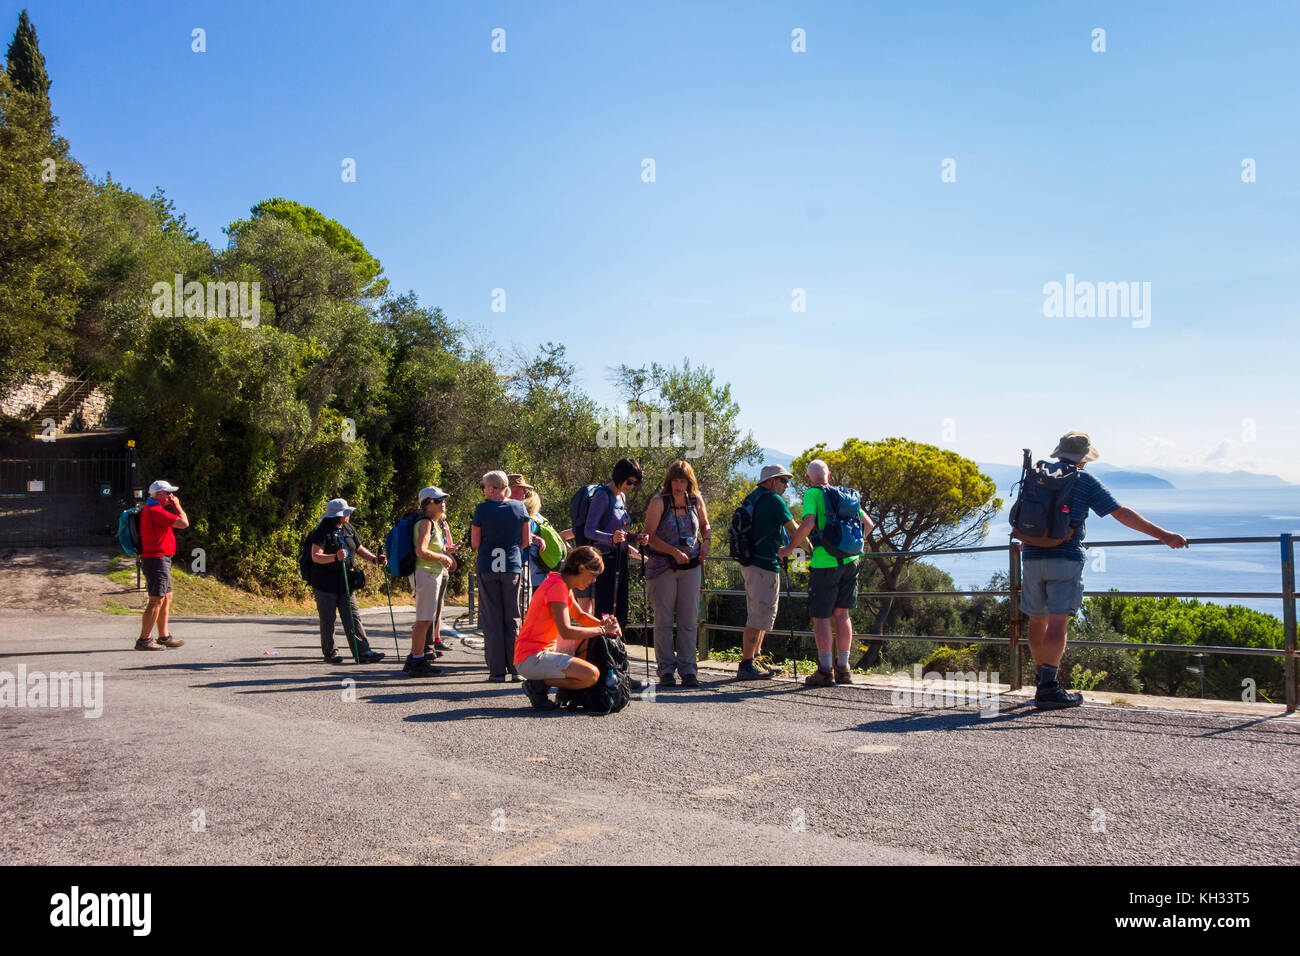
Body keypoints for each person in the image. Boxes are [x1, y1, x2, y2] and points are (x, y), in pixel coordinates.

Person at [1019, 432, 1187, 709]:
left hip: (1032, 555)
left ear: (1059, 452)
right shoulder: (1083, 480)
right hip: (1066, 557)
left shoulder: (1036, 476)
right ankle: (1048, 688)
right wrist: (1163, 535)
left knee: (1037, 621)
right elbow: (1120, 513)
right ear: (1083, 458)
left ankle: (1041, 681)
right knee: (1058, 621)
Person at [782, 459, 875, 688]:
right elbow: (869, 524)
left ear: (808, 479)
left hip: (824, 563)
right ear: (829, 475)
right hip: (851, 561)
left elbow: (808, 523)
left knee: (821, 616)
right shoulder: (844, 495)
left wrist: (789, 548)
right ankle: (844, 668)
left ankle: (825, 671)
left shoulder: (813, 494)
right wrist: (850, 545)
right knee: (842, 615)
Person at [514, 546, 622, 711]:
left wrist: (608, 625)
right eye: (593, 575)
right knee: (590, 675)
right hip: (532, 658)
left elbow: (580, 616)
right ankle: (537, 685)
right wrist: (602, 630)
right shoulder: (558, 587)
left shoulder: (561, 583)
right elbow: (566, 631)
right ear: (581, 568)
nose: (594, 580)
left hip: (537, 653)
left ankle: (553, 686)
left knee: (592, 648)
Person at [579, 458, 648, 689]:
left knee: (622, 614)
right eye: (629, 482)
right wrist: (610, 539)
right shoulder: (602, 496)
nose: (631, 486)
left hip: (620, 559)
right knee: (606, 613)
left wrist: (635, 538)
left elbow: (621, 531)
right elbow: (590, 530)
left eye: (635, 483)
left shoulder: (622, 497)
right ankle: (602, 667)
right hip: (605, 561)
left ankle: (619, 668)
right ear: (619, 477)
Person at [643, 460, 711, 688]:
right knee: (663, 620)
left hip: (690, 567)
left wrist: (707, 541)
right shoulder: (659, 502)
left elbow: (705, 525)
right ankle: (666, 671)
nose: (678, 485)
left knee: (689, 619)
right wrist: (673, 552)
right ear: (669, 482)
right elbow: (648, 536)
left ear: (689, 482)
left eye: (683, 480)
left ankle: (689, 669)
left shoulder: (695, 501)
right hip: (663, 567)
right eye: (675, 480)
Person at [736, 466, 800, 679]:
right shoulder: (773, 500)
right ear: (772, 481)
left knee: (760, 614)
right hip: (764, 566)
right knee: (758, 615)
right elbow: (793, 529)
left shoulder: (754, 497)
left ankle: (756, 659)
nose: (787, 485)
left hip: (752, 563)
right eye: (784, 480)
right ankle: (746, 664)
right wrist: (812, 550)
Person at [308, 498, 386, 664]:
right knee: (328, 619)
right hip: (325, 583)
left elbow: (358, 548)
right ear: (338, 515)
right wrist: (334, 557)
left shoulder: (348, 528)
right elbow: (315, 556)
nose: (349, 514)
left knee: (353, 616)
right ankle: (331, 653)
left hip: (346, 582)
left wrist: (374, 559)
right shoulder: (322, 531)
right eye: (346, 512)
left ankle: (363, 652)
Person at [471, 470, 531, 682]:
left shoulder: (482, 509)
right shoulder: (519, 507)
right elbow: (525, 542)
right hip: (512, 566)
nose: (483, 490)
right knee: (513, 617)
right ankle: (516, 668)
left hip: (488, 566)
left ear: (493, 488)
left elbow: (475, 544)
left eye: (485, 486)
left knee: (492, 618)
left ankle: (496, 671)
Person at [403, 486, 455, 677]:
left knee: (425, 619)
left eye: (443, 499)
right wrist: (442, 558)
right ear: (427, 504)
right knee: (424, 620)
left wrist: (445, 557)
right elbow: (421, 551)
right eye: (438, 500)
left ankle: (414, 657)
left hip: (430, 573)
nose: (443, 503)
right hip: (426, 573)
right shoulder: (426, 523)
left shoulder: (432, 523)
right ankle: (418, 660)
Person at [135, 479, 189, 651]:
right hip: (156, 560)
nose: (171, 496)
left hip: (161, 559)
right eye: (168, 493)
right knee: (156, 599)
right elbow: (183, 523)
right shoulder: (155, 511)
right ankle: (144, 640)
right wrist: (177, 505)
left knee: (166, 597)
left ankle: (164, 636)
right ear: (158, 495)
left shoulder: (152, 509)